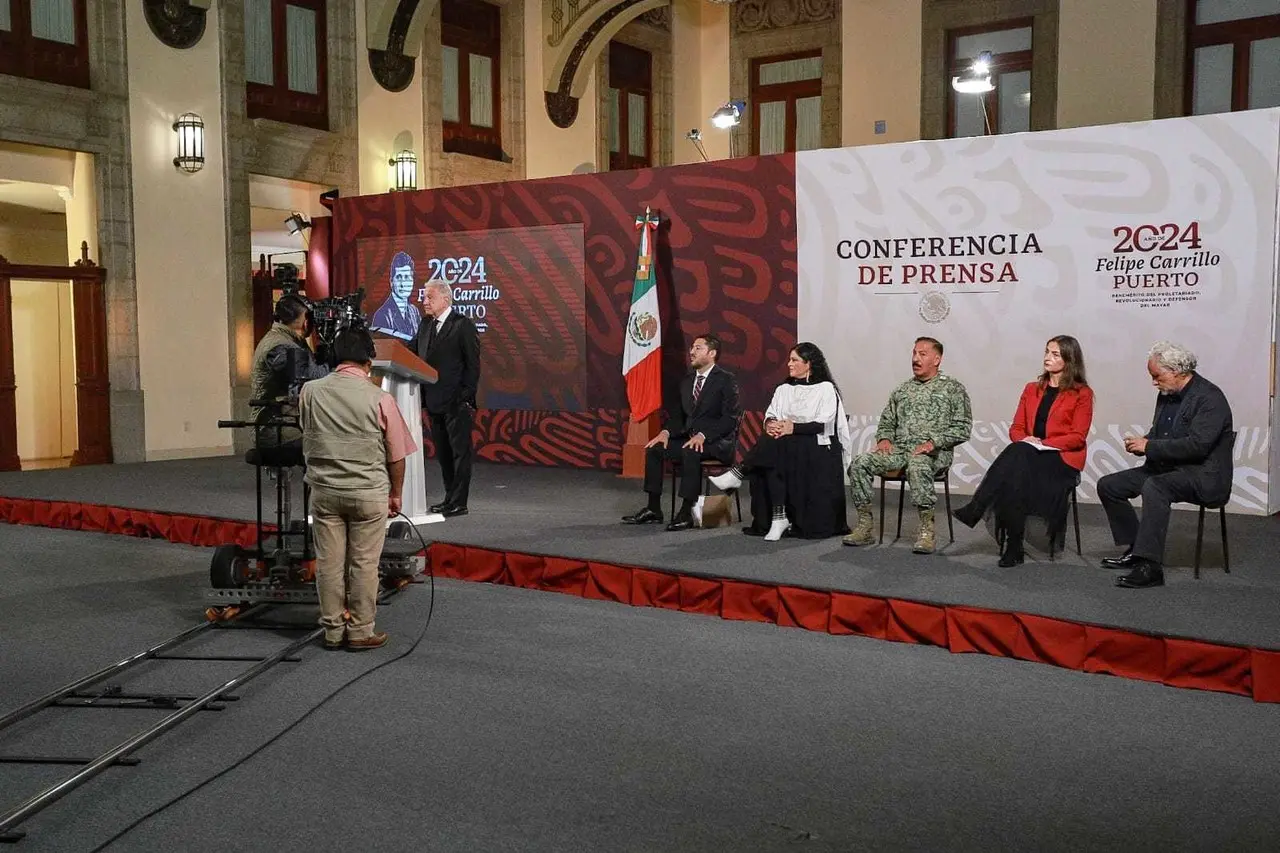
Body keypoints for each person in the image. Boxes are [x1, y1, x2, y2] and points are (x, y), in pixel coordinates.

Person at [299, 327, 417, 650]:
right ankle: (361, 631)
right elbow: (396, 455)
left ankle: (333, 632)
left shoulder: (309, 391)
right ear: (368, 361)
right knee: (364, 563)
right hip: (368, 494)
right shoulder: (380, 398)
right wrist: (396, 494)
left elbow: (305, 432)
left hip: (324, 493)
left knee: (329, 563)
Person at [1096, 341, 1234, 589]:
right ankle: (1137, 549)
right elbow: (1163, 433)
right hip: (1166, 467)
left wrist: (1149, 447)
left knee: (1156, 487)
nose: (1153, 382)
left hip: (1203, 475)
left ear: (1178, 371)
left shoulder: (1210, 398)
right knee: (1109, 486)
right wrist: (1146, 440)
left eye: (1156, 376)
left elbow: (1197, 446)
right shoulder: (1166, 394)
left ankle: (1150, 567)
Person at [953, 336, 1094, 566]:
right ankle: (1013, 546)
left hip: (1060, 461)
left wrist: (1043, 443)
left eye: (1055, 354)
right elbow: (1016, 428)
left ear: (1069, 360)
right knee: (1017, 467)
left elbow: (1077, 437)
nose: (1048, 357)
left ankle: (980, 510)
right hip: (1028, 456)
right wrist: (1027, 440)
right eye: (1047, 352)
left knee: (1017, 460)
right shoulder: (1032, 389)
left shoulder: (1082, 393)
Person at [709, 342, 851, 542]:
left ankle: (740, 473)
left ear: (808, 364)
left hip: (816, 444)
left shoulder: (826, 388)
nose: (789, 364)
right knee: (774, 444)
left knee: (774, 447)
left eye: (795, 360)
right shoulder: (784, 388)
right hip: (786, 442)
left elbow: (823, 423)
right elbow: (772, 414)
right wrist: (772, 424)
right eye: (789, 360)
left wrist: (792, 427)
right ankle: (778, 517)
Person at [843, 337, 972, 554]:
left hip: (934, 452)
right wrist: (884, 439)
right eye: (914, 353)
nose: (915, 358)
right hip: (900, 451)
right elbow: (887, 422)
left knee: (918, 464)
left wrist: (934, 443)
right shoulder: (902, 390)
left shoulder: (953, 389)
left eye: (922, 354)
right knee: (860, 463)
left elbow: (962, 428)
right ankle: (865, 526)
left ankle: (926, 529)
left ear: (937, 359)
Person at [621, 334, 741, 531]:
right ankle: (653, 509)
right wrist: (666, 432)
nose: (692, 352)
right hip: (689, 439)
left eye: (698, 348)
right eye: (692, 348)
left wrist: (703, 436)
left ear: (712, 353)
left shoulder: (726, 380)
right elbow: (678, 416)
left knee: (691, 451)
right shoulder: (687, 381)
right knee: (655, 449)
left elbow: (730, 419)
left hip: (716, 442)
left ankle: (686, 513)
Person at [410, 280, 480, 516]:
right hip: (433, 400)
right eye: (424, 297)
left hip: (456, 402)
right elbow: (409, 353)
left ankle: (459, 502)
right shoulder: (425, 325)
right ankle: (450, 497)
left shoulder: (463, 325)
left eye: (429, 297)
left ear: (445, 299)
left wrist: (465, 396)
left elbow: (473, 365)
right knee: (444, 453)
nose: (424, 302)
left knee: (460, 454)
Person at [249, 292, 330, 450]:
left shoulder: (288, 340)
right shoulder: (279, 346)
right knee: (335, 441)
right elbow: (308, 377)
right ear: (305, 320)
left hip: (287, 421)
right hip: (274, 429)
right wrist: (338, 366)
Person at [369, 252, 421, 341]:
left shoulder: (414, 312)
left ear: (412, 281)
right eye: (399, 277)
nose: (403, 284)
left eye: (407, 277)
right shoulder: (382, 315)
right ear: (391, 282)